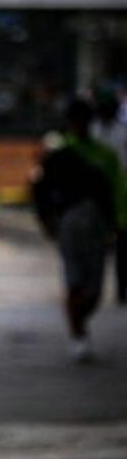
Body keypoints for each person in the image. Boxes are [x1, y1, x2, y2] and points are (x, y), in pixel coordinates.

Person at [33, 99, 122, 362]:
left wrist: (115, 223)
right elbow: (41, 190)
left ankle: (79, 320)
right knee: (74, 280)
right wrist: (47, 220)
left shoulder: (103, 155)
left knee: (94, 287)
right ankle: (78, 334)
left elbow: (114, 192)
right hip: (69, 224)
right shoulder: (60, 154)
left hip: (97, 225)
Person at [91, 92, 127, 304]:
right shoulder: (93, 130)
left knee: (122, 245)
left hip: (120, 193)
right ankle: (94, 288)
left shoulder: (122, 133)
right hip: (96, 194)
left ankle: (121, 288)